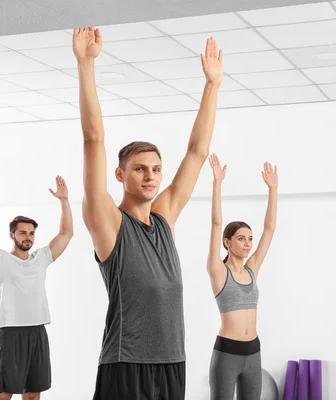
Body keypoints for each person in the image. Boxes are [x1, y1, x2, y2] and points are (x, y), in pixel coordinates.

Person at [72, 27, 223, 399]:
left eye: (156, 169)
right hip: (127, 363)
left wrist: (212, 86)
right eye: (140, 169)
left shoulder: (164, 218)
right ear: (121, 175)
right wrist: (86, 64)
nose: (151, 176)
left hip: (172, 361)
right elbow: (94, 140)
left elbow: (196, 152)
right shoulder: (109, 222)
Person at [0, 170, 74, 400]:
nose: (28, 237)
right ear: (12, 235)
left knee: (33, 395)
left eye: (31, 233)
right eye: (23, 233)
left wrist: (64, 200)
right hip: (10, 333)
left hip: (37, 331)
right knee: (2, 395)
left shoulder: (42, 258)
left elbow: (66, 233)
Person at [206, 154, 278, 400]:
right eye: (240, 238)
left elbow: (269, 229)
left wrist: (273, 189)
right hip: (227, 354)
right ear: (227, 242)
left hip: (253, 352)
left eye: (249, 239)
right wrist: (217, 183)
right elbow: (216, 224)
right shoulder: (218, 271)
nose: (248, 244)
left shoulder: (251, 269)